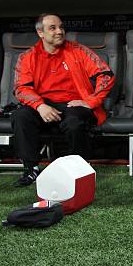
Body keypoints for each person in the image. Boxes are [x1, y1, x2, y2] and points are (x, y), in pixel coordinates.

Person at [11, 14, 115, 187]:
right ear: (40, 33)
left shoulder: (78, 50)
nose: (59, 31)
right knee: (20, 116)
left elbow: (106, 74)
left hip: (74, 104)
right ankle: (31, 170)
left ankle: (77, 171)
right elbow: (21, 88)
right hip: (44, 105)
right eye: (53, 28)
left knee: (74, 121)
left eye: (61, 27)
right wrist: (40, 106)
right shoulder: (27, 57)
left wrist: (90, 101)